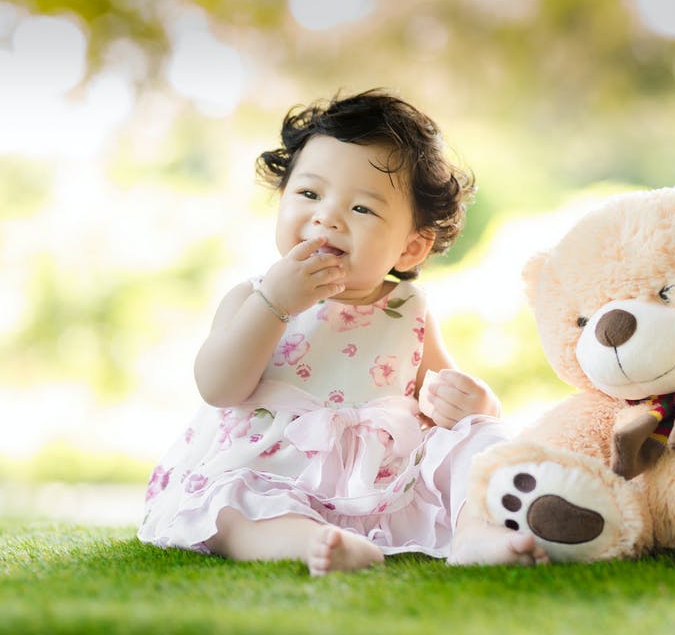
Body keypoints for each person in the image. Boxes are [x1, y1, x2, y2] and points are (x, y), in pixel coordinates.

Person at [138, 89, 547, 574]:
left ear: (411, 249)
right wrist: (276, 304)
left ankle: (477, 534)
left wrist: (475, 405)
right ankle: (313, 541)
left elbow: (442, 402)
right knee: (229, 505)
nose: (326, 217)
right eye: (309, 194)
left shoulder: (408, 308)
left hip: (381, 478)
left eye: (362, 209)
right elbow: (218, 388)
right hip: (274, 471)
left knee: (479, 441)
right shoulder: (254, 298)